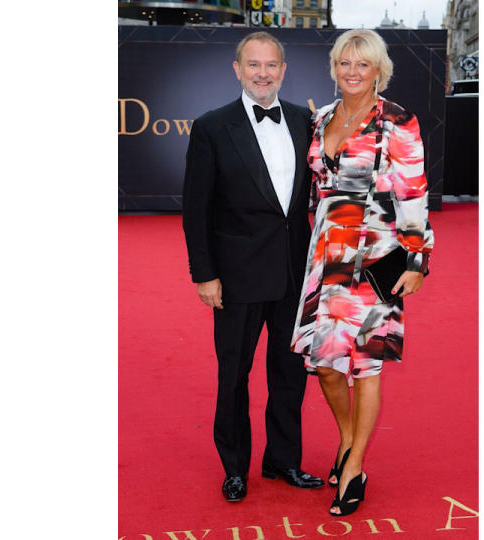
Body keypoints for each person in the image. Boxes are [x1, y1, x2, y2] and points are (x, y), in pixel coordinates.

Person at [290, 29, 434, 516]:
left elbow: (414, 194)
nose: (352, 72)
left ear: (379, 70)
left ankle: (354, 466)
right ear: (334, 67)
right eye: (344, 63)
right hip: (326, 256)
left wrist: (417, 259)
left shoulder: (398, 121)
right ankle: (349, 441)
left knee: (365, 366)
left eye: (363, 65)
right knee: (327, 367)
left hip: (374, 257)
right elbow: (316, 190)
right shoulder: (322, 118)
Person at [182, 31, 324, 503]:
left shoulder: (307, 121)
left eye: (271, 65)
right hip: (237, 277)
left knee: (289, 373)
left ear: (283, 70)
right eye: (253, 65)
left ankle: (283, 460)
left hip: (294, 273)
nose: (263, 73)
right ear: (237, 69)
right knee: (234, 375)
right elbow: (196, 208)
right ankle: (235, 468)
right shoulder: (211, 127)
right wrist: (204, 274)